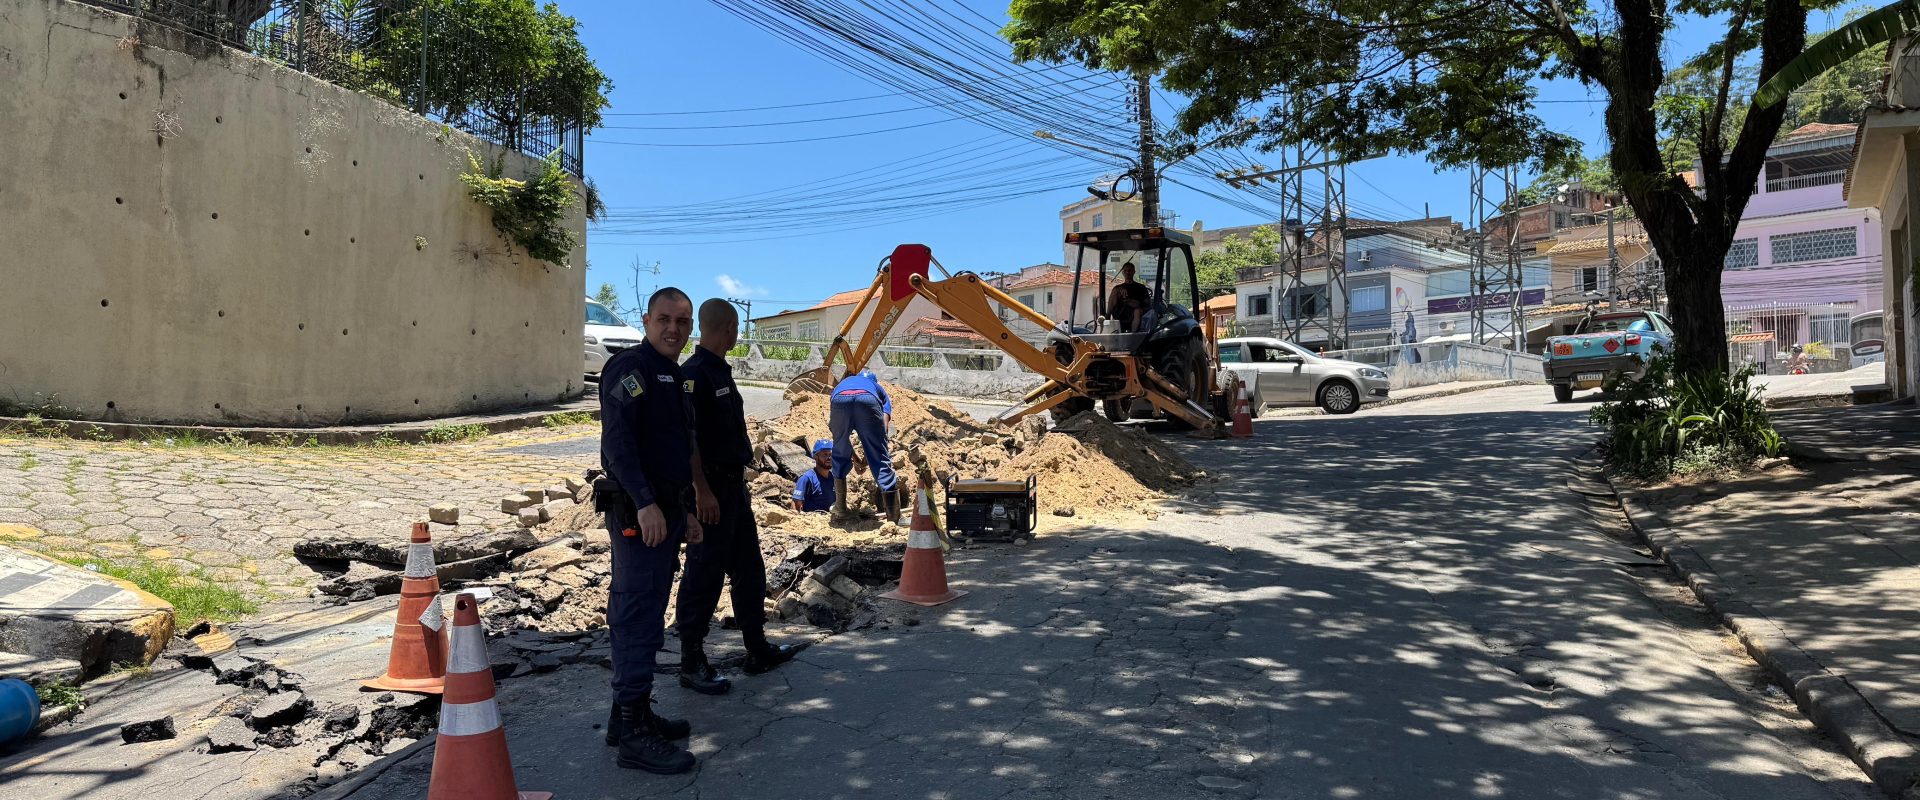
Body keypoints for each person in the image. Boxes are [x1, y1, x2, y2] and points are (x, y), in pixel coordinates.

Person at [596, 286, 702, 774]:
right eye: (665, 319)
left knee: (649, 607)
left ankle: (627, 716)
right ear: (646, 319)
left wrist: (688, 512)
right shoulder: (630, 369)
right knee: (637, 614)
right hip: (640, 514)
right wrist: (645, 503)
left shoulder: (672, 375)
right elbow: (618, 444)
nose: (673, 329)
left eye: (682, 322)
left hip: (667, 512)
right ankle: (634, 736)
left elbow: (675, 450)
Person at [676, 299, 796, 697]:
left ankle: (756, 648)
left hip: (733, 488)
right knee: (705, 573)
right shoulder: (694, 375)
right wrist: (701, 491)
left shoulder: (717, 371)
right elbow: (688, 439)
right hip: (710, 489)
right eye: (736, 327)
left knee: (749, 566)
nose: (738, 332)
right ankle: (692, 661)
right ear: (729, 327)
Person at [829, 369, 900, 523]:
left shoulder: (843, 383)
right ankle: (893, 518)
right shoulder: (877, 388)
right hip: (867, 400)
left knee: (838, 447)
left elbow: (842, 440)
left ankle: (840, 509)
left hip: (839, 400)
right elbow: (883, 428)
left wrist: (855, 459)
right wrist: (870, 456)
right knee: (880, 457)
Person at [792, 440, 835, 513]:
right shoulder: (806, 478)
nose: (829, 457)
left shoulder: (833, 478)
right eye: (825, 454)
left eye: (830, 454)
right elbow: (795, 505)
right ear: (815, 457)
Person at [1107, 261, 1150, 333]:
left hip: (1136, 311)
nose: (1127, 272)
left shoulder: (1141, 287)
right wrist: (1119, 291)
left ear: (1133, 272)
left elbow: (1146, 303)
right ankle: (1107, 317)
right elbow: (1115, 301)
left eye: (1129, 270)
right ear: (1123, 273)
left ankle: (1132, 335)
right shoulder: (1118, 288)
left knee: (1137, 311)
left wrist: (1131, 302)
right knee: (1115, 291)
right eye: (1125, 271)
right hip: (1121, 312)